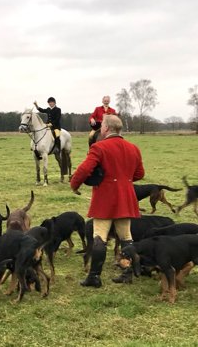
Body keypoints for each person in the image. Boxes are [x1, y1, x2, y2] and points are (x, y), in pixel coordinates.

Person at [70, 115, 144, 288]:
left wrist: (74, 185)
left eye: (102, 125)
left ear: (106, 129)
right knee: (126, 238)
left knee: (99, 238)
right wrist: (124, 179)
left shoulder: (99, 147)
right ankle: (128, 273)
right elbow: (139, 174)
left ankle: (94, 277)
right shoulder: (133, 148)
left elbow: (84, 169)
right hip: (126, 198)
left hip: (105, 199)